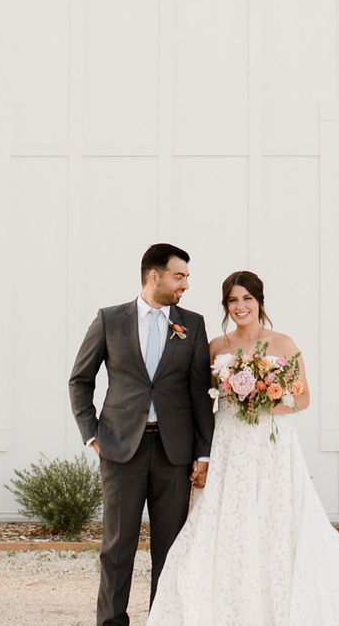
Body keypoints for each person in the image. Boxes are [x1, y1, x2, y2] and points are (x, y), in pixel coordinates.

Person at [145, 270, 339, 626]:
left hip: (272, 444)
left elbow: (303, 397)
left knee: (275, 520)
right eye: (233, 300)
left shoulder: (283, 343)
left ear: (260, 302)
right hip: (229, 443)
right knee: (223, 522)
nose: (240, 306)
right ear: (225, 305)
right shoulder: (217, 347)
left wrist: (261, 401)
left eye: (247, 298)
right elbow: (204, 400)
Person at [69, 242, 215, 626]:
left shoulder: (193, 323)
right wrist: (92, 435)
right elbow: (80, 380)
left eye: (185, 277)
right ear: (155, 276)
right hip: (120, 449)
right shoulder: (109, 319)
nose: (185, 284)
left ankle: (163, 619)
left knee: (170, 547)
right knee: (117, 546)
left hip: (175, 452)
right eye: (178, 276)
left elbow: (200, 393)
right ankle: (111, 621)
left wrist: (204, 453)